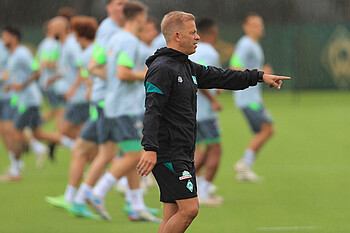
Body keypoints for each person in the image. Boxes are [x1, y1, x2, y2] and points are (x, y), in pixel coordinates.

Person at [136, 11, 290, 233]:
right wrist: (149, 148)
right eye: (193, 32)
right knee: (190, 209)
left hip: (183, 150)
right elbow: (152, 110)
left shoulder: (187, 66)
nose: (198, 37)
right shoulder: (162, 68)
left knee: (172, 214)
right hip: (168, 152)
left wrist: (258, 76)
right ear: (177, 36)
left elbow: (223, 76)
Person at [89, 1, 160, 222]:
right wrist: (148, 75)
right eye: (145, 17)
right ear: (138, 18)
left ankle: (136, 206)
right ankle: (98, 192)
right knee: (136, 156)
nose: (146, 21)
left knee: (130, 154)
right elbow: (122, 73)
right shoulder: (128, 40)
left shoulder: (116, 38)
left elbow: (95, 66)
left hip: (113, 105)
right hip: (125, 108)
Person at [0, 26, 75, 182]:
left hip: (29, 100)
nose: (3, 39)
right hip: (24, 99)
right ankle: (73, 146)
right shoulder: (13, 55)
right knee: (38, 133)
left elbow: (37, 70)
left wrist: (22, 85)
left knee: (15, 131)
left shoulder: (21, 53)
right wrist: (11, 84)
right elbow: (18, 76)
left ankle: (16, 169)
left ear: (13, 37)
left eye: (5, 36)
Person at [230, 13, 274, 183]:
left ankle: (244, 169)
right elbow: (234, 67)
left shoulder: (254, 44)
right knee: (267, 129)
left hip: (253, 97)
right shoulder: (245, 44)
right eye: (255, 24)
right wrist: (260, 73)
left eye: (260, 24)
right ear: (246, 27)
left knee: (264, 130)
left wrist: (261, 71)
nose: (260, 27)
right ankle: (244, 164)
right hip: (247, 98)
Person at [189, 18, 223, 206]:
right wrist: (213, 100)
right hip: (204, 112)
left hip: (192, 110)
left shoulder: (194, 51)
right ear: (213, 34)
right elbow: (199, 79)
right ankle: (204, 190)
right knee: (215, 150)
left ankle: (194, 186)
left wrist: (215, 88)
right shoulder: (209, 52)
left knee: (202, 149)